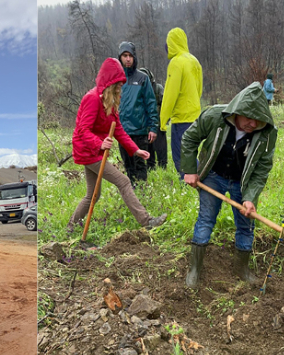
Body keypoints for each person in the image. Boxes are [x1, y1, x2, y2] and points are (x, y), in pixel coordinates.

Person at [180, 82, 277, 288]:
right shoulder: (215, 116)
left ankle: (241, 269)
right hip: (213, 175)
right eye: (249, 118)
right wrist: (190, 170)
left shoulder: (267, 133)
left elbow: (262, 167)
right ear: (237, 111)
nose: (252, 124)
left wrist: (250, 196)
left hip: (243, 182)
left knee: (246, 225)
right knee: (206, 220)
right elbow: (189, 138)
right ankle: (195, 269)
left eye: (258, 121)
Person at [68, 57, 167, 232]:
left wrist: (136, 150)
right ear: (110, 83)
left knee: (93, 195)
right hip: (88, 151)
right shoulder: (92, 99)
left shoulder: (110, 102)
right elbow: (83, 130)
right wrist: (100, 143)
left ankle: (71, 227)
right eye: (119, 85)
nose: (121, 88)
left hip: (95, 150)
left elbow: (119, 130)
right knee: (123, 181)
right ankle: (146, 221)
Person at [160, 27, 202, 181]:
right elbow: (199, 89)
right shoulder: (194, 61)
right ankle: (201, 182)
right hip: (195, 116)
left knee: (182, 158)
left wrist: (162, 120)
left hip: (181, 119)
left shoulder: (176, 62)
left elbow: (170, 94)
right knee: (191, 153)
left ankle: (192, 185)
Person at [116, 42, 158, 186]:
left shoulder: (142, 78)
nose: (128, 59)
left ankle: (142, 196)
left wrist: (153, 127)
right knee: (128, 167)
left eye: (130, 56)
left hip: (140, 130)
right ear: (120, 57)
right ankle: (132, 195)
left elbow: (151, 103)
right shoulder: (116, 79)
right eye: (125, 56)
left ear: (134, 58)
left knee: (140, 166)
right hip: (122, 132)